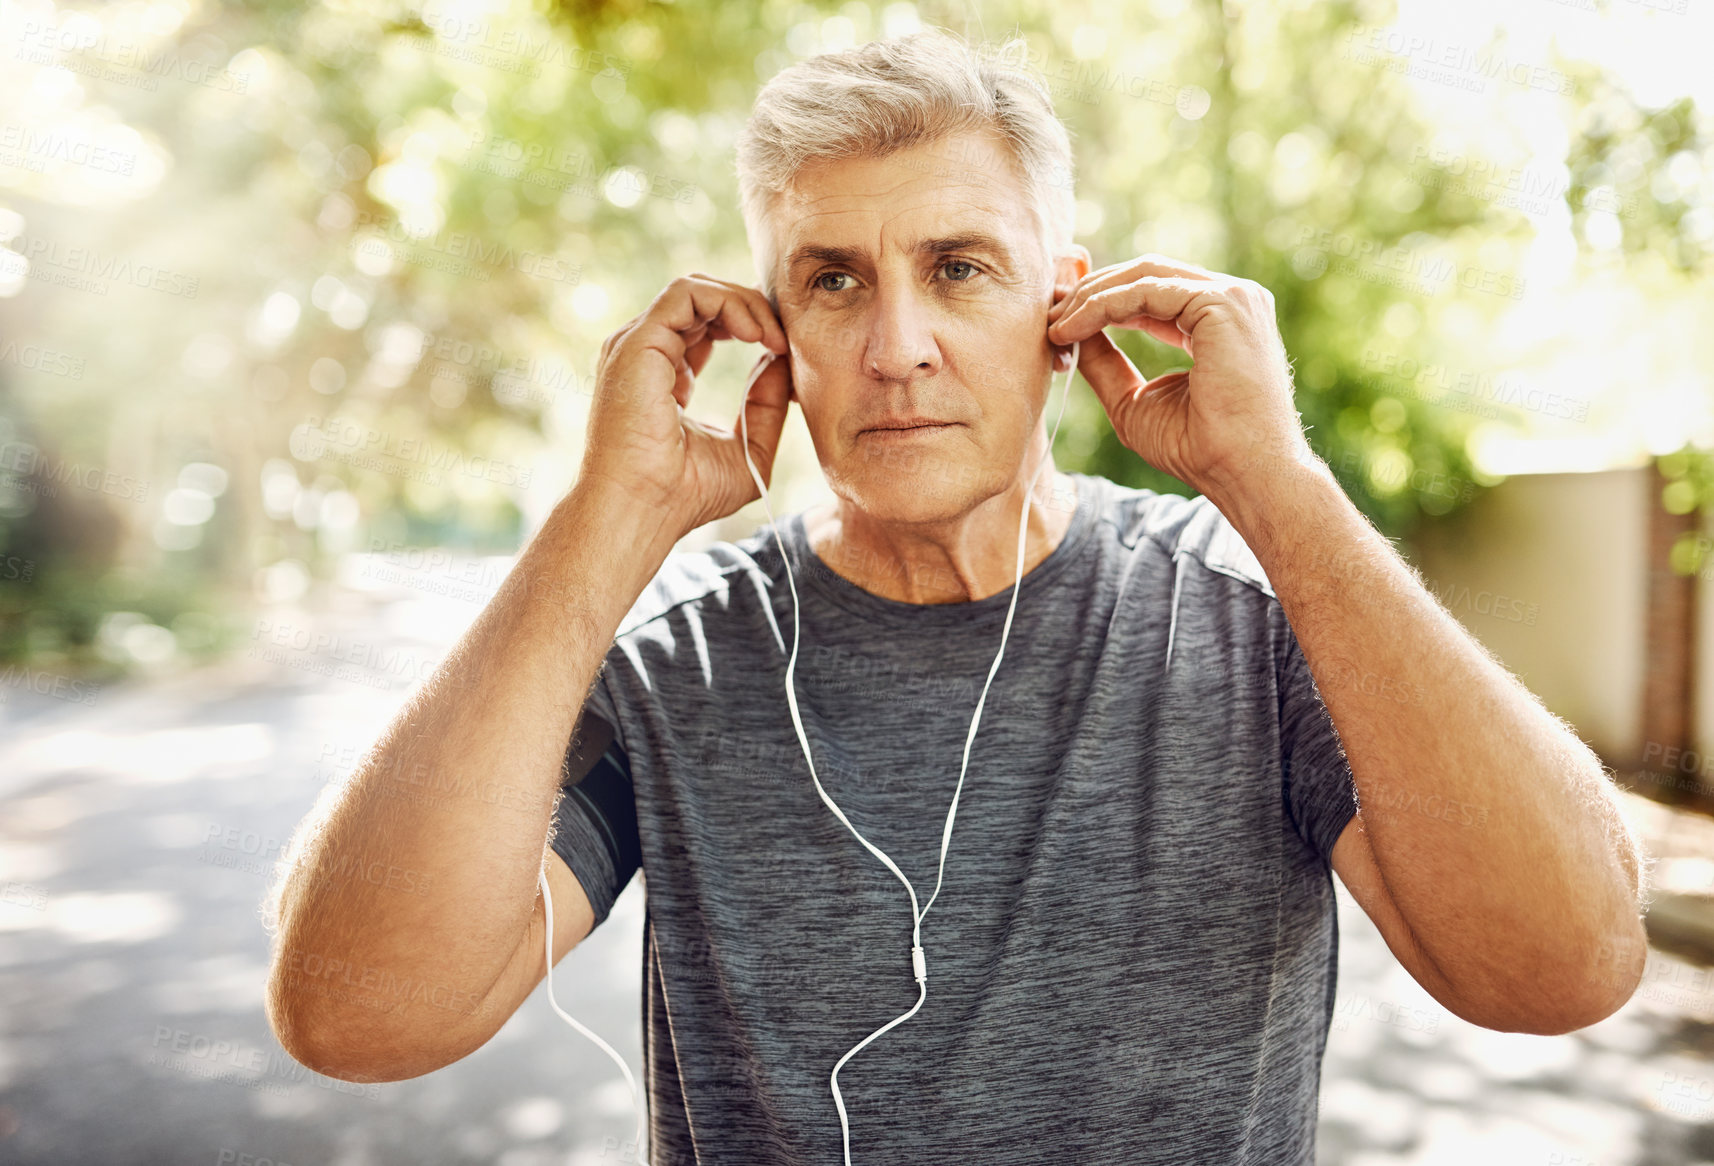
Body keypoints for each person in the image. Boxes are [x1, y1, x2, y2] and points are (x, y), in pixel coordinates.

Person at [264, 27, 1650, 1166]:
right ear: (770, 333)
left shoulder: (1247, 614)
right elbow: (355, 1016)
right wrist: (596, 526)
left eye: (957, 268)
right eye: (832, 281)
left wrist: (1278, 486)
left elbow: (1563, 967)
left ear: (1065, 309)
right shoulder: (674, 656)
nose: (897, 347)